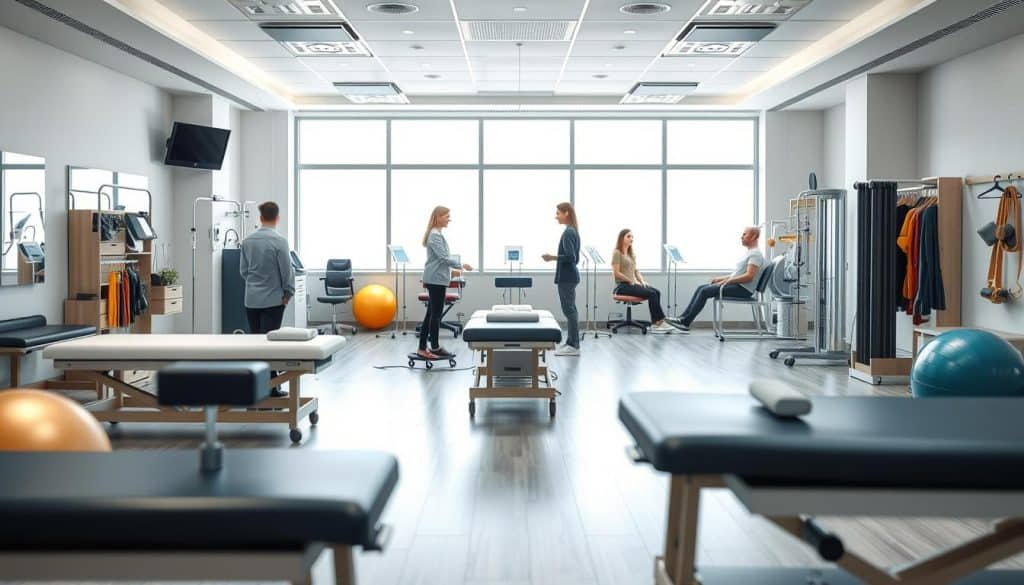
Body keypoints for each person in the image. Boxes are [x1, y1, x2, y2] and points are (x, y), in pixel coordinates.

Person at [239, 201, 294, 397]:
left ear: (260, 218)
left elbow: (244, 271)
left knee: (257, 343)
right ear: (277, 218)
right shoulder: (280, 242)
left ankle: (260, 385)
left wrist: (255, 285)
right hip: (273, 300)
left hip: (251, 300)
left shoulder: (247, 241)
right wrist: (288, 294)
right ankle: (272, 385)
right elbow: (287, 272)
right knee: (271, 343)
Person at [668, 226, 765, 332]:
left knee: (705, 291)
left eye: (744, 234)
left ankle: (685, 322)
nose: (741, 237)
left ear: (754, 236)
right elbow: (737, 274)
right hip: (737, 286)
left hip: (743, 290)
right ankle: (682, 319)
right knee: (701, 288)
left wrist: (727, 281)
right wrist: (721, 279)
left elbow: (749, 276)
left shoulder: (756, 254)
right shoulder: (750, 253)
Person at [418, 206, 472, 360]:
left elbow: (439, 261)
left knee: (431, 315)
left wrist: (453, 271)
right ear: (438, 217)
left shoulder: (437, 234)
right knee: (435, 316)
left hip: (437, 278)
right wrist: (461, 265)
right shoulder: (435, 235)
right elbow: (443, 258)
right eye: (447, 216)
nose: (449, 219)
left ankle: (422, 348)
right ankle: (434, 347)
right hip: (435, 280)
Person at [611, 229, 673, 333]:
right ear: (622, 238)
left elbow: (636, 271)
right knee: (652, 294)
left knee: (656, 292)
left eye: (632, 237)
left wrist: (642, 281)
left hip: (632, 284)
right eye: (628, 236)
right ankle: (658, 323)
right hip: (622, 286)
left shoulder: (631, 254)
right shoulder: (617, 253)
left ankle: (657, 322)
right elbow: (616, 273)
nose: (631, 239)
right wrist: (630, 280)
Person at [542, 202, 581, 356]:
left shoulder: (569, 233)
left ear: (566, 213)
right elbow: (575, 258)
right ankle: (572, 343)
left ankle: (573, 346)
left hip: (567, 277)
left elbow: (572, 257)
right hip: (570, 276)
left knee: (569, 310)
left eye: (558, 213)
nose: (555, 216)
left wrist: (552, 257)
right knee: (571, 310)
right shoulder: (572, 231)